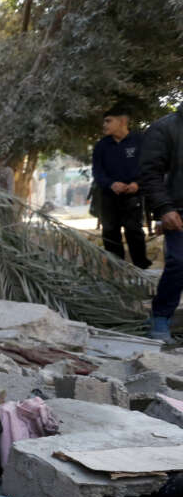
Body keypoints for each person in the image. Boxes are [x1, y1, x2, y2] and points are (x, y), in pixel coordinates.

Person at [141, 103, 183, 341]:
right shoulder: (164, 128)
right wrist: (164, 208)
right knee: (179, 262)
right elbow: (150, 173)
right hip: (177, 211)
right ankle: (161, 316)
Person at [92, 106, 148, 269]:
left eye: (109, 121)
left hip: (133, 196)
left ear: (123, 121)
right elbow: (97, 172)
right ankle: (116, 270)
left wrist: (138, 184)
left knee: (134, 231)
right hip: (109, 197)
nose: (105, 125)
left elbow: (148, 167)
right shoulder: (101, 146)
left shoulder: (140, 141)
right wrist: (111, 184)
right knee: (109, 232)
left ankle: (141, 269)